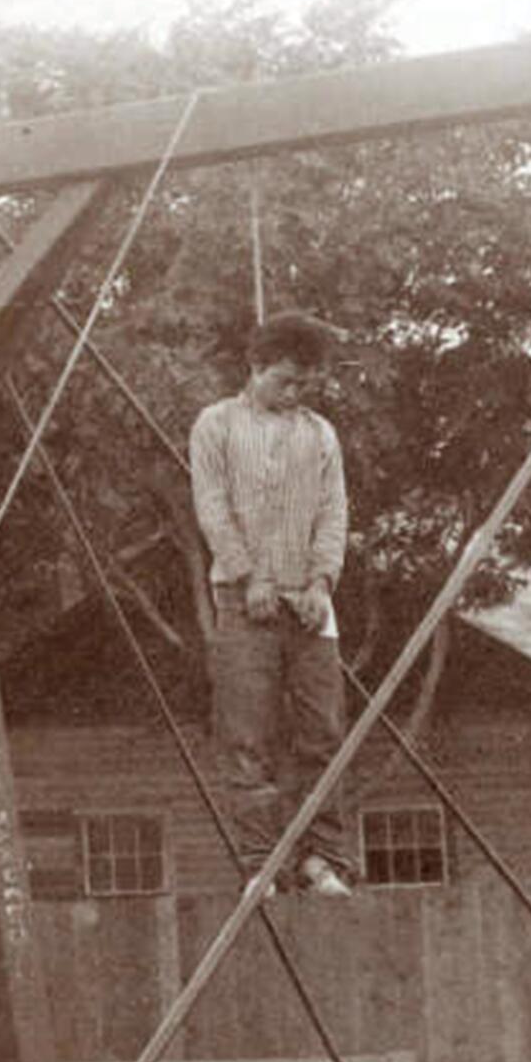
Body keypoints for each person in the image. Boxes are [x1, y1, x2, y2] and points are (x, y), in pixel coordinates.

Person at [189, 311, 354, 900]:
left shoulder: (320, 434)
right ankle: (262, 862)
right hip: (245, 600)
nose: (294, 392)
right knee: (248, 732)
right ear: (255, 368)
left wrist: (321, 583)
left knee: (322, 731)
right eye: (284, 380)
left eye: (305, 383)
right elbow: (211, 506)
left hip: (310, 604)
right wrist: (248, 573)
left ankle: (321, 858)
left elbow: (334, 512)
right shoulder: (217, 425)